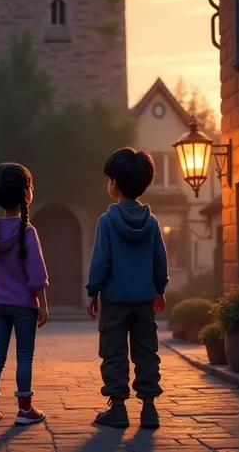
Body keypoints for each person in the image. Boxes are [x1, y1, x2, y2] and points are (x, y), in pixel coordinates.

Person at [85, 147, 169, 430]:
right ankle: (149, 410)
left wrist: (92, 291)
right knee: (147, 351)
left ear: (114, 184)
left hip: (115, 300)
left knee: (114, 352)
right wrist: (160, 289)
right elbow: (160, 258)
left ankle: (118, 409)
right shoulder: (152, 222)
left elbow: (101, 261)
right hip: (145, 300)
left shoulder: (107, 221)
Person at [0, 162, 49, 426]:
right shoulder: (27, 231)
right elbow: (37, 273)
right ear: (26, 194)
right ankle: (25, 409)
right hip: (24, 305)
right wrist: (42, 305)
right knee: (24, 356)